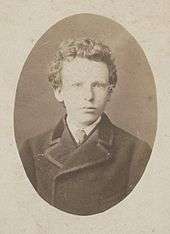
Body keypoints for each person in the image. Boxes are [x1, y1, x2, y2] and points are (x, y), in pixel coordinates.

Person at [19, 38, 152, 215]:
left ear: (109, 92)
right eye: (77, 85)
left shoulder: (136, 152)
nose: (88, 96)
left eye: (97, 85)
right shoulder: (31, 150)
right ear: (59, 91)